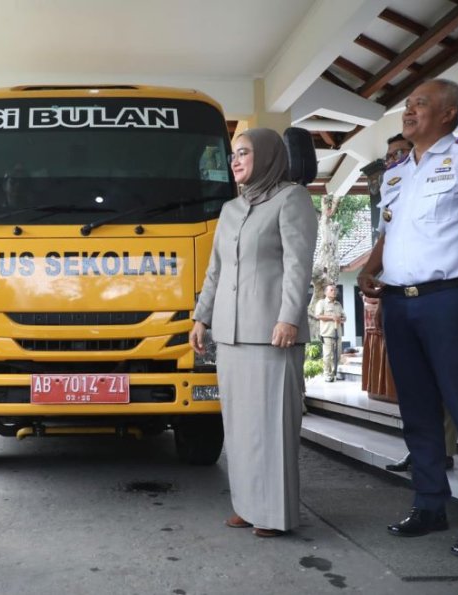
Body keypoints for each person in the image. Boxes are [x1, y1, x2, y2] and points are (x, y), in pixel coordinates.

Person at [358, 79, 458, 559]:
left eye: (420, 103)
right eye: (407, 104)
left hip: (449, 299)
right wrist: (370, 265)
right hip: (399, 303)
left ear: (449, 113)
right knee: (418, 412)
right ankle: (428, 505)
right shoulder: (399, 170)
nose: (409, 110)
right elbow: (390, 228)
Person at [190, 128, 317, 537]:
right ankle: (246, 505)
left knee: (272, 428)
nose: (236, 160)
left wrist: (289, 317)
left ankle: (276, 515)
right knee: (241, 429)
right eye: (232, 155)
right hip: (230, 335)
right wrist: (201, 318)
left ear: (266, 156)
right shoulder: (230, 209)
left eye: (244, 152)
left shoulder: (291, 198)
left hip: (272, 331)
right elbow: (216, 269)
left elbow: (299, 263)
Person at [375, 134, 457, 472]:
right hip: (400, 299)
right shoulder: (392, 188)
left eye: (399, 153)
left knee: (447, 381)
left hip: (443, 297)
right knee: (415, 387)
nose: (393, 160)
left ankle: (446, 451)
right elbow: (387, 242)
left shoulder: (446, 176)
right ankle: (424, 452)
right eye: (389, 155)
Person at [314, 284, 345, 382]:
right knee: (328, 355)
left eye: (335, 290)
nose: (334, 292)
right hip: (327, 334)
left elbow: (344, 318)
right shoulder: (321, 303)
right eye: (331, 290)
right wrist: (332, 317)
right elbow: (318, 316)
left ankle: (334, 373)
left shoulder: (338, 304)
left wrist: (340, 319)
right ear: (326, 292)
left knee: (338, 354)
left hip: (338, 334)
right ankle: (327, 374)